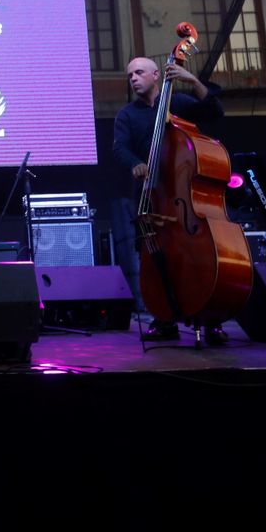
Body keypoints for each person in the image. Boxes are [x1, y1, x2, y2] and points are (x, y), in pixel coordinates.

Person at [112, 55, 224, 341]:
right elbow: (120, 148)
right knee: (153, 258)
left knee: (197, 258)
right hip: (150, 196)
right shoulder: (127, 114)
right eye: (129, 75)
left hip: (185, 196)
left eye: (138, 73)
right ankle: (164, 319)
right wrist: (135, 163)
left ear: (155, 75)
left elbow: (214, 111)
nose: (133, 78)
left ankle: (210, 317)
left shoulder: (179, 104)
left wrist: (193, 80)